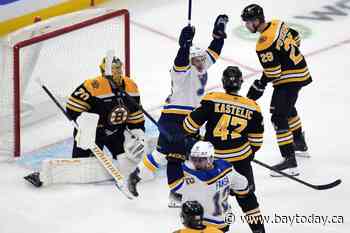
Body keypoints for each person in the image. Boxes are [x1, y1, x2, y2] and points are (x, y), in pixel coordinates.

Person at [127, 15, 229, 207]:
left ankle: (136, 175)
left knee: (162, 154)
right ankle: (176, 194)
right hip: (173, 118)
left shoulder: (201, 66)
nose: (200, 62)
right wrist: (184, 45)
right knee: (177, 155)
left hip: (190, 118)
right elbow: (181, 60)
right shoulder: (180, 71)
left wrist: (219, 32)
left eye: (201, 59)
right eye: (196, 59)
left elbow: (213, 52)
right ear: (190, 59)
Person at [24, 54, 146, 187]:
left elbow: (135, 113)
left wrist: (138, 132)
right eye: (113, 68)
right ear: (104, 71)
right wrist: (85, 125)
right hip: (93, 133)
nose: (117, 71)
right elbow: (72, 107)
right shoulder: (93, 85)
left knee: (128, 162)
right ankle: (43, 176)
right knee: (81, 168)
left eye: (119, 68)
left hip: (117, 132)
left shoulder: (131, 85)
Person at [183, 66, 266, 233]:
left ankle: (219, 228)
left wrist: (198, 139)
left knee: (213, 201)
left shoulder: (213, 99)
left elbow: (188, 125)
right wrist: (244, 156)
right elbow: (256, 142)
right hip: (241, 159)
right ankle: (258, 231)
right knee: (247, 196)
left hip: (213, 161)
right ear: (241, 83)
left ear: (223, 83)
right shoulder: (253, 107)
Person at [241, 4, 312, 176]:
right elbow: (296, 37)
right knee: (288, 108)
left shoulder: (263, 44)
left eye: (248, 22)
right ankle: (299, 143)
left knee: (278, 115)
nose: (246, 25)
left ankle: (289, 161)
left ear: (257, 21)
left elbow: (273, 72)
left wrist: (260, 84)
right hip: (301, 70)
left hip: (289, 79)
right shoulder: (278, 24)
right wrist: (288, 57)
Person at [174, 141, 249, 232]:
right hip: (225, 219)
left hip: (203, 221)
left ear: (211, 158)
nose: (196, 163)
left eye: (201, 160)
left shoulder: (196, 177)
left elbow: (175, 194)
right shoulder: (227, 168)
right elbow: (243, 185)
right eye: (194, 159)